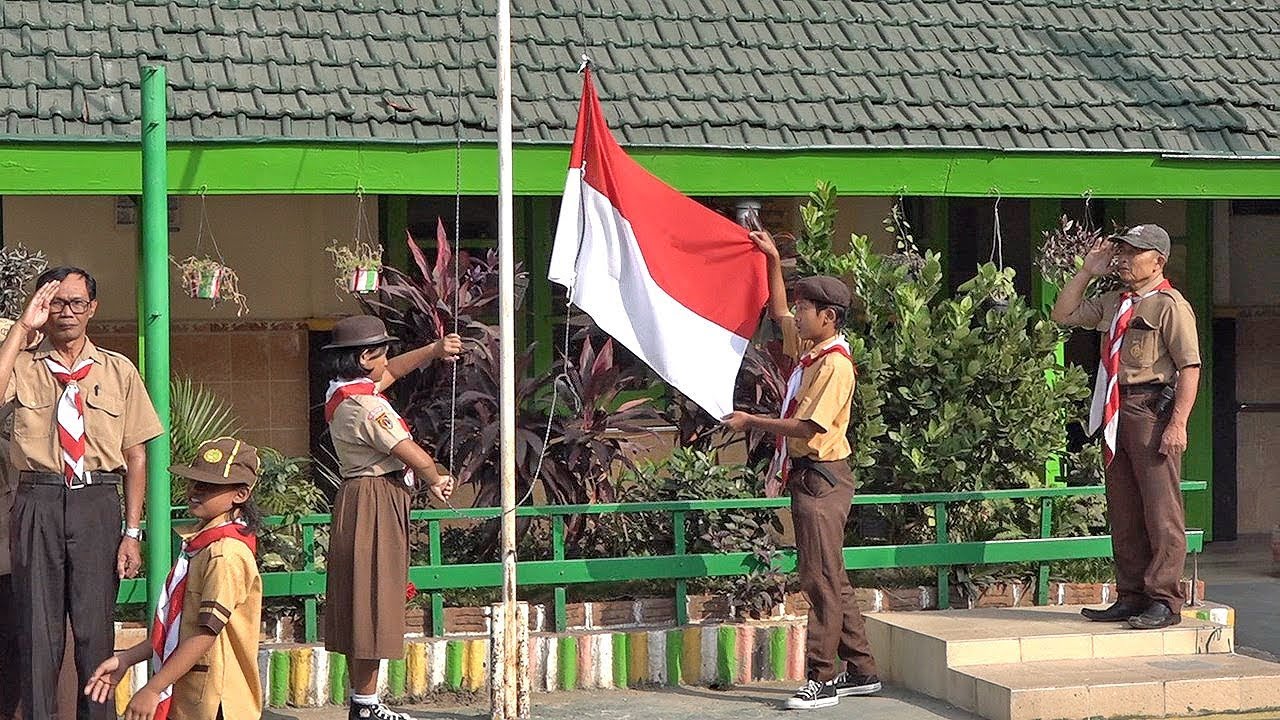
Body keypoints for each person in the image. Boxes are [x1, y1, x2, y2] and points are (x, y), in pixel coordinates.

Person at [722, 231, 880, 710]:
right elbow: (777, 312)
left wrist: (751, 420)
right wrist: (772, 260)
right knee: (833, 575)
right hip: (812, 477)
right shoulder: (813, 351)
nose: (799, 313)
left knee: (818, 578)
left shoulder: (835, 366)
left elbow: (806, 424)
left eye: (807, 307)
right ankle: (864, 670)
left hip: (822, 478)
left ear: (827, 317)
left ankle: (822, 677)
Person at [0, 267, 163, 720]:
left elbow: (137, 456)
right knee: (38, 633)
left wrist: (132, 531)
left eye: (76, 303)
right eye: (56, 302)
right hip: (38, 500)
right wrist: (21, 328)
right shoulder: (23, 364)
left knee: (95, 634)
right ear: (42, 307)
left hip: (97, 502)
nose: (66, 312)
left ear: (92, 308)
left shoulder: (117, 369)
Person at [1051, 224, 1201, 630]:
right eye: (1121, 250)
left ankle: (1165, 599)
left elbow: (1189, 368)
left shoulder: (1170, 305)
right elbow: (1062, 313)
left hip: (1151, 409)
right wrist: (1086, 271)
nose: (1123, 258)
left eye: (1134, 252)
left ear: (1158, 260)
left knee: (1160, 510)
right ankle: (1131, 594)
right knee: (1124, 507)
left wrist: (1179, 423)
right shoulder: (1114, 302)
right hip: (1116, 410)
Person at [321, 315, 461, 720]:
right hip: (376, 497)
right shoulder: (365, 407)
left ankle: (363, 701)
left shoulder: (343, 392)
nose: (387, 362)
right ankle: (366, 707)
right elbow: (406, 449)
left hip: (360, 495)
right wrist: (436, 477)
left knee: (363, 600)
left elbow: (395, 371)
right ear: (366, 357)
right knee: (373, 599)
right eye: (381, 355)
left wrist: (435, 351)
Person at [85, 436, 265, 720]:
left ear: (240, 495)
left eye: (209, 486)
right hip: (191, 696)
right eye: (194, 482)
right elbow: (176, 628)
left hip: (218, 703)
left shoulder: (225, 554)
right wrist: (126, 659)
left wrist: (153, 688)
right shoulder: (201, 545)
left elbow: (205, 633)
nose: (196, 491)